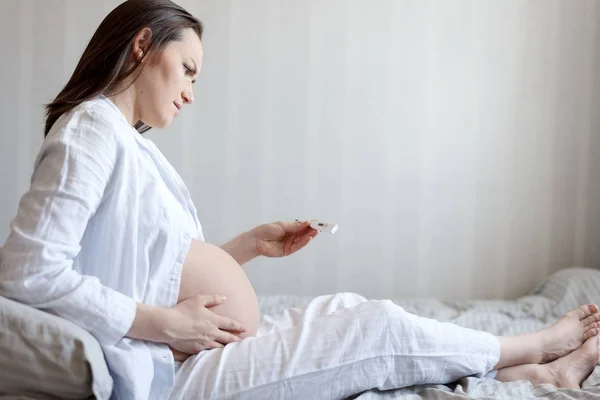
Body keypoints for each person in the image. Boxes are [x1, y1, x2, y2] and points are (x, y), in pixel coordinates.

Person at [0, 1, 598, 399]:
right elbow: (28, 271)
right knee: (374, 329)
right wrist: (164, 323)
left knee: (346, 307)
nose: (190, 93)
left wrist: (246, 248)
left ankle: (536, 372)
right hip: (169, 372)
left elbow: (155, 264)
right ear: (140, 47)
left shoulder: (123, 142)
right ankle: (537, 346)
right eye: (187, 69)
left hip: (189, 345)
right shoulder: (89, 130)